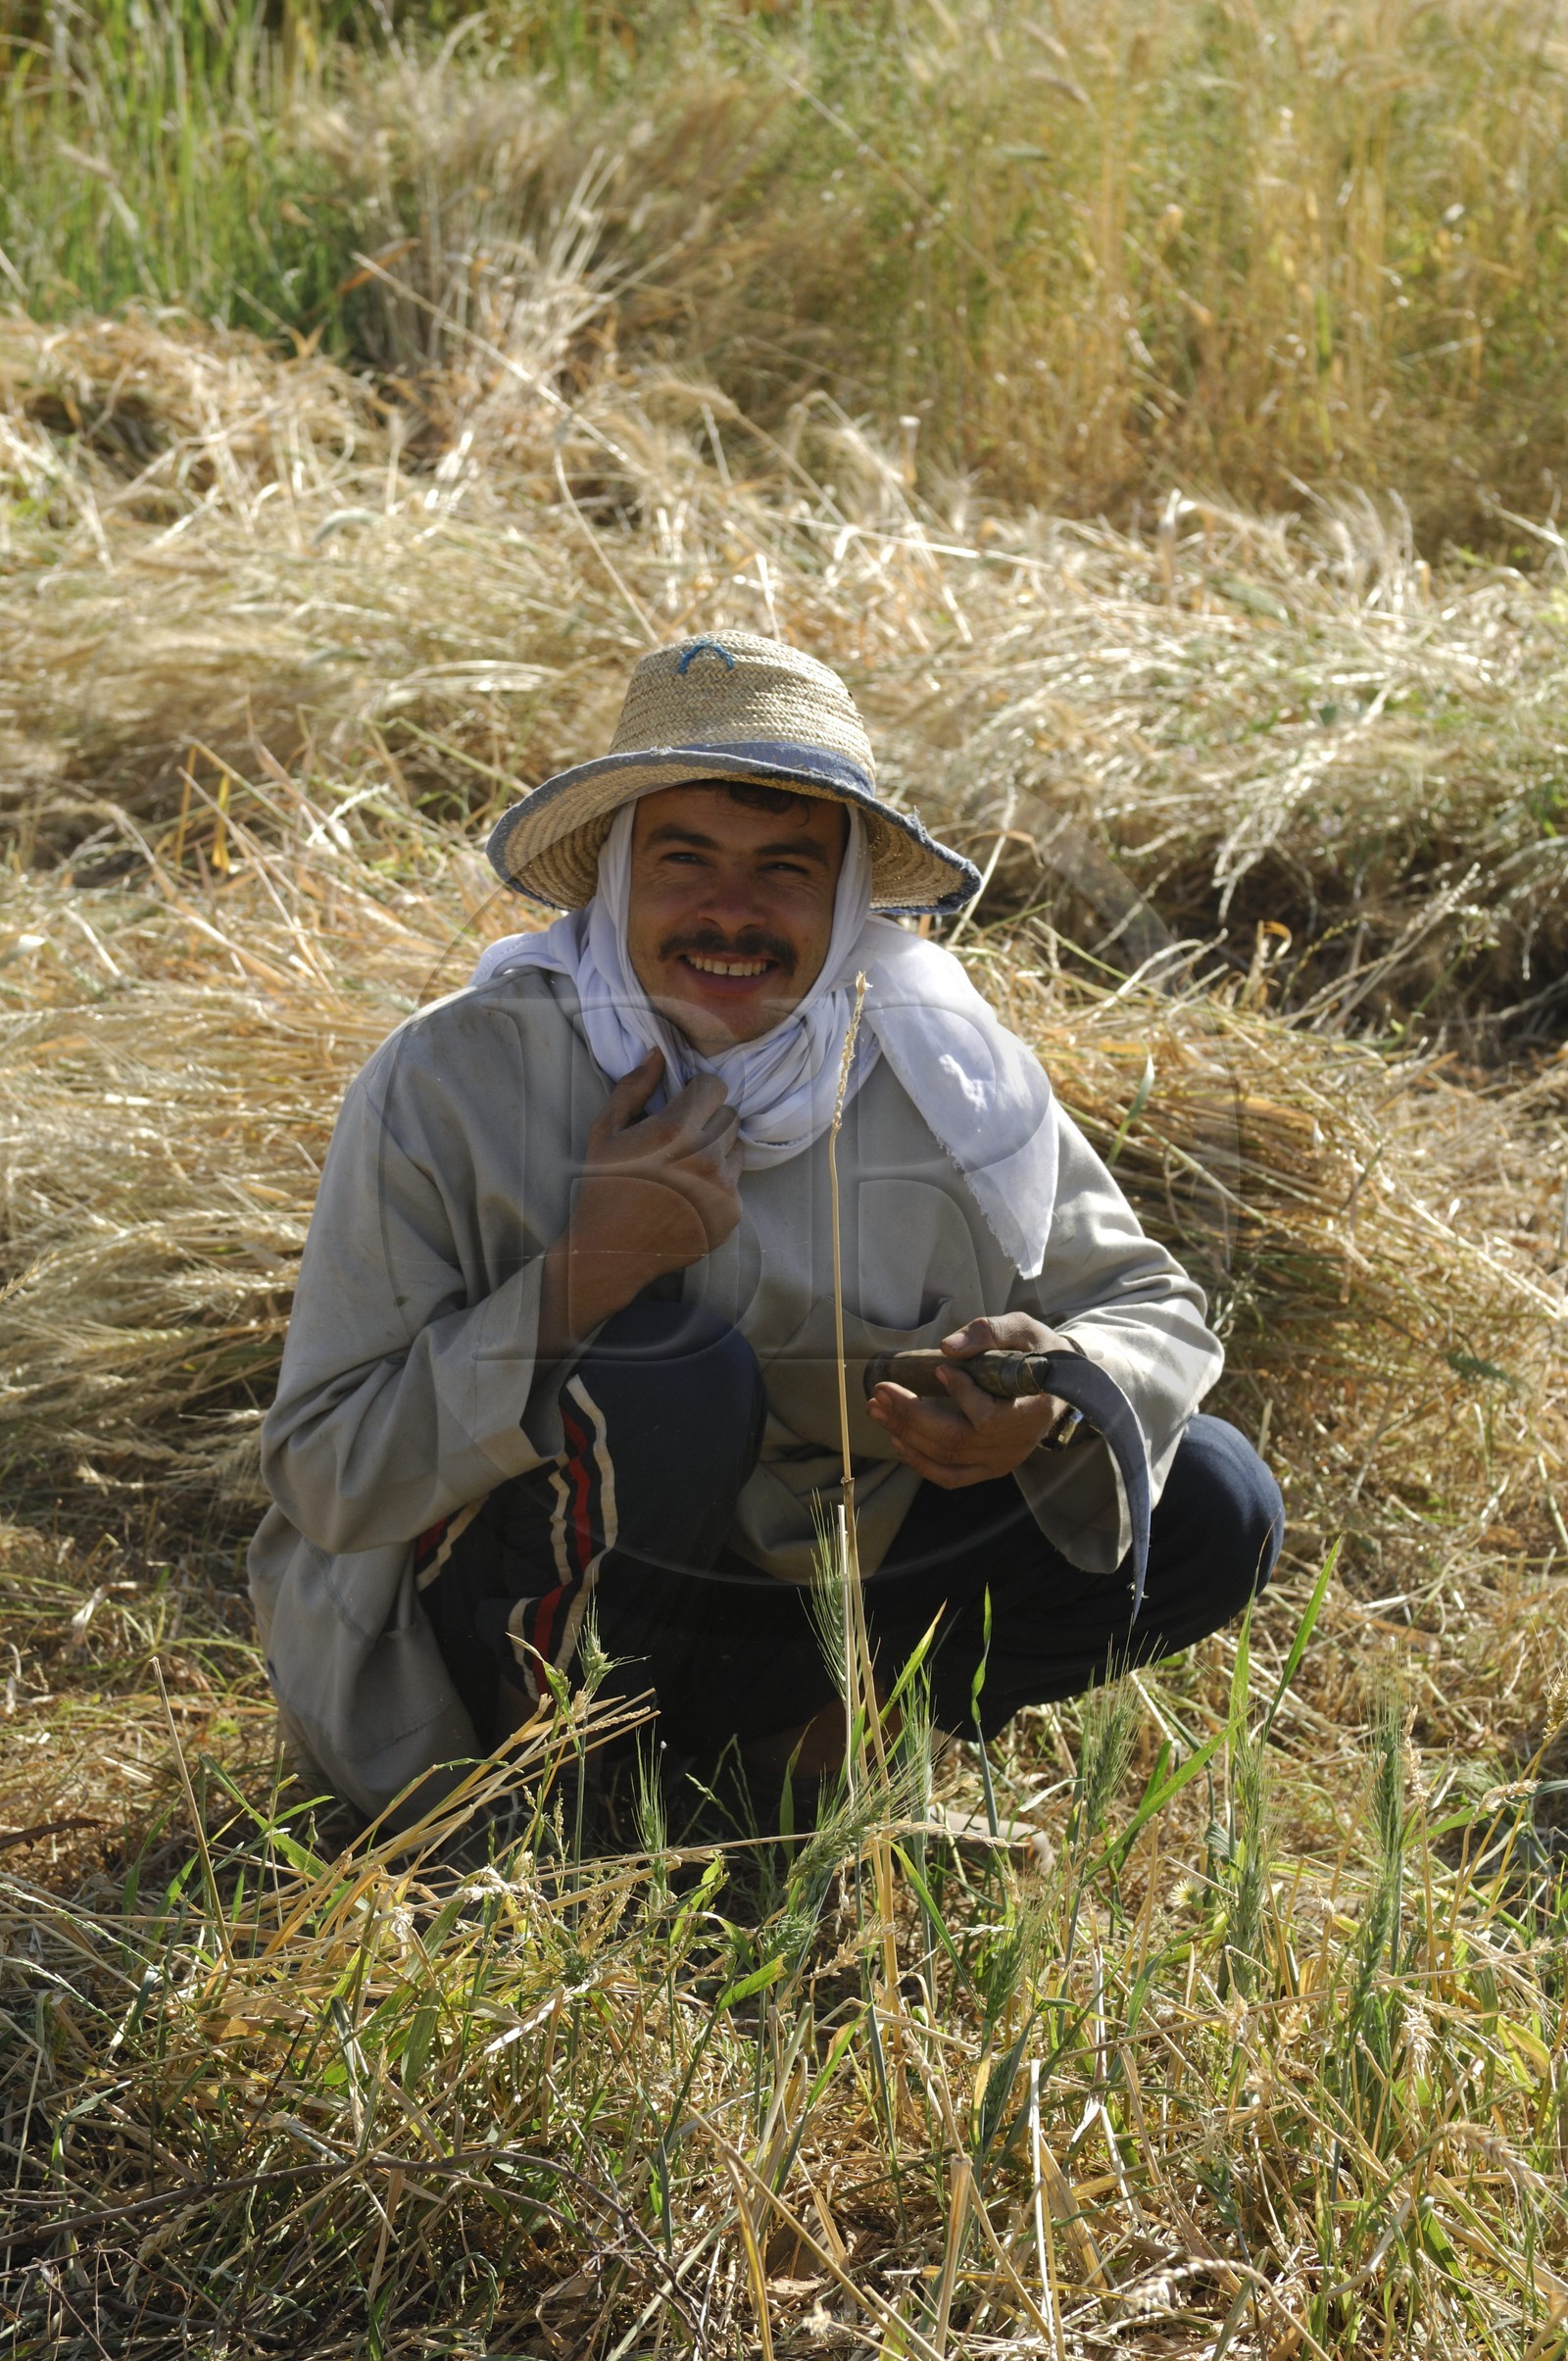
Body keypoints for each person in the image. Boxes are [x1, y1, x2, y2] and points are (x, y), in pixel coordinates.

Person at [250, 632, 1283, 1823]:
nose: (730, 914)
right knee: (673, 1374)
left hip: (803, 1603)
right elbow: (325, 1475)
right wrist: (591, 1269)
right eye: (684, 859)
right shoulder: (455, 1076)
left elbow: (1145, 1311)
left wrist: (1048, 1394)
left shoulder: (945, 1073)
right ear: (613, 877)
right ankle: (548, 1803)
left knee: (1208, 1494)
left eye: (786, 870)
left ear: (846, 900)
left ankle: (796, 1758)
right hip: (494, 1625)